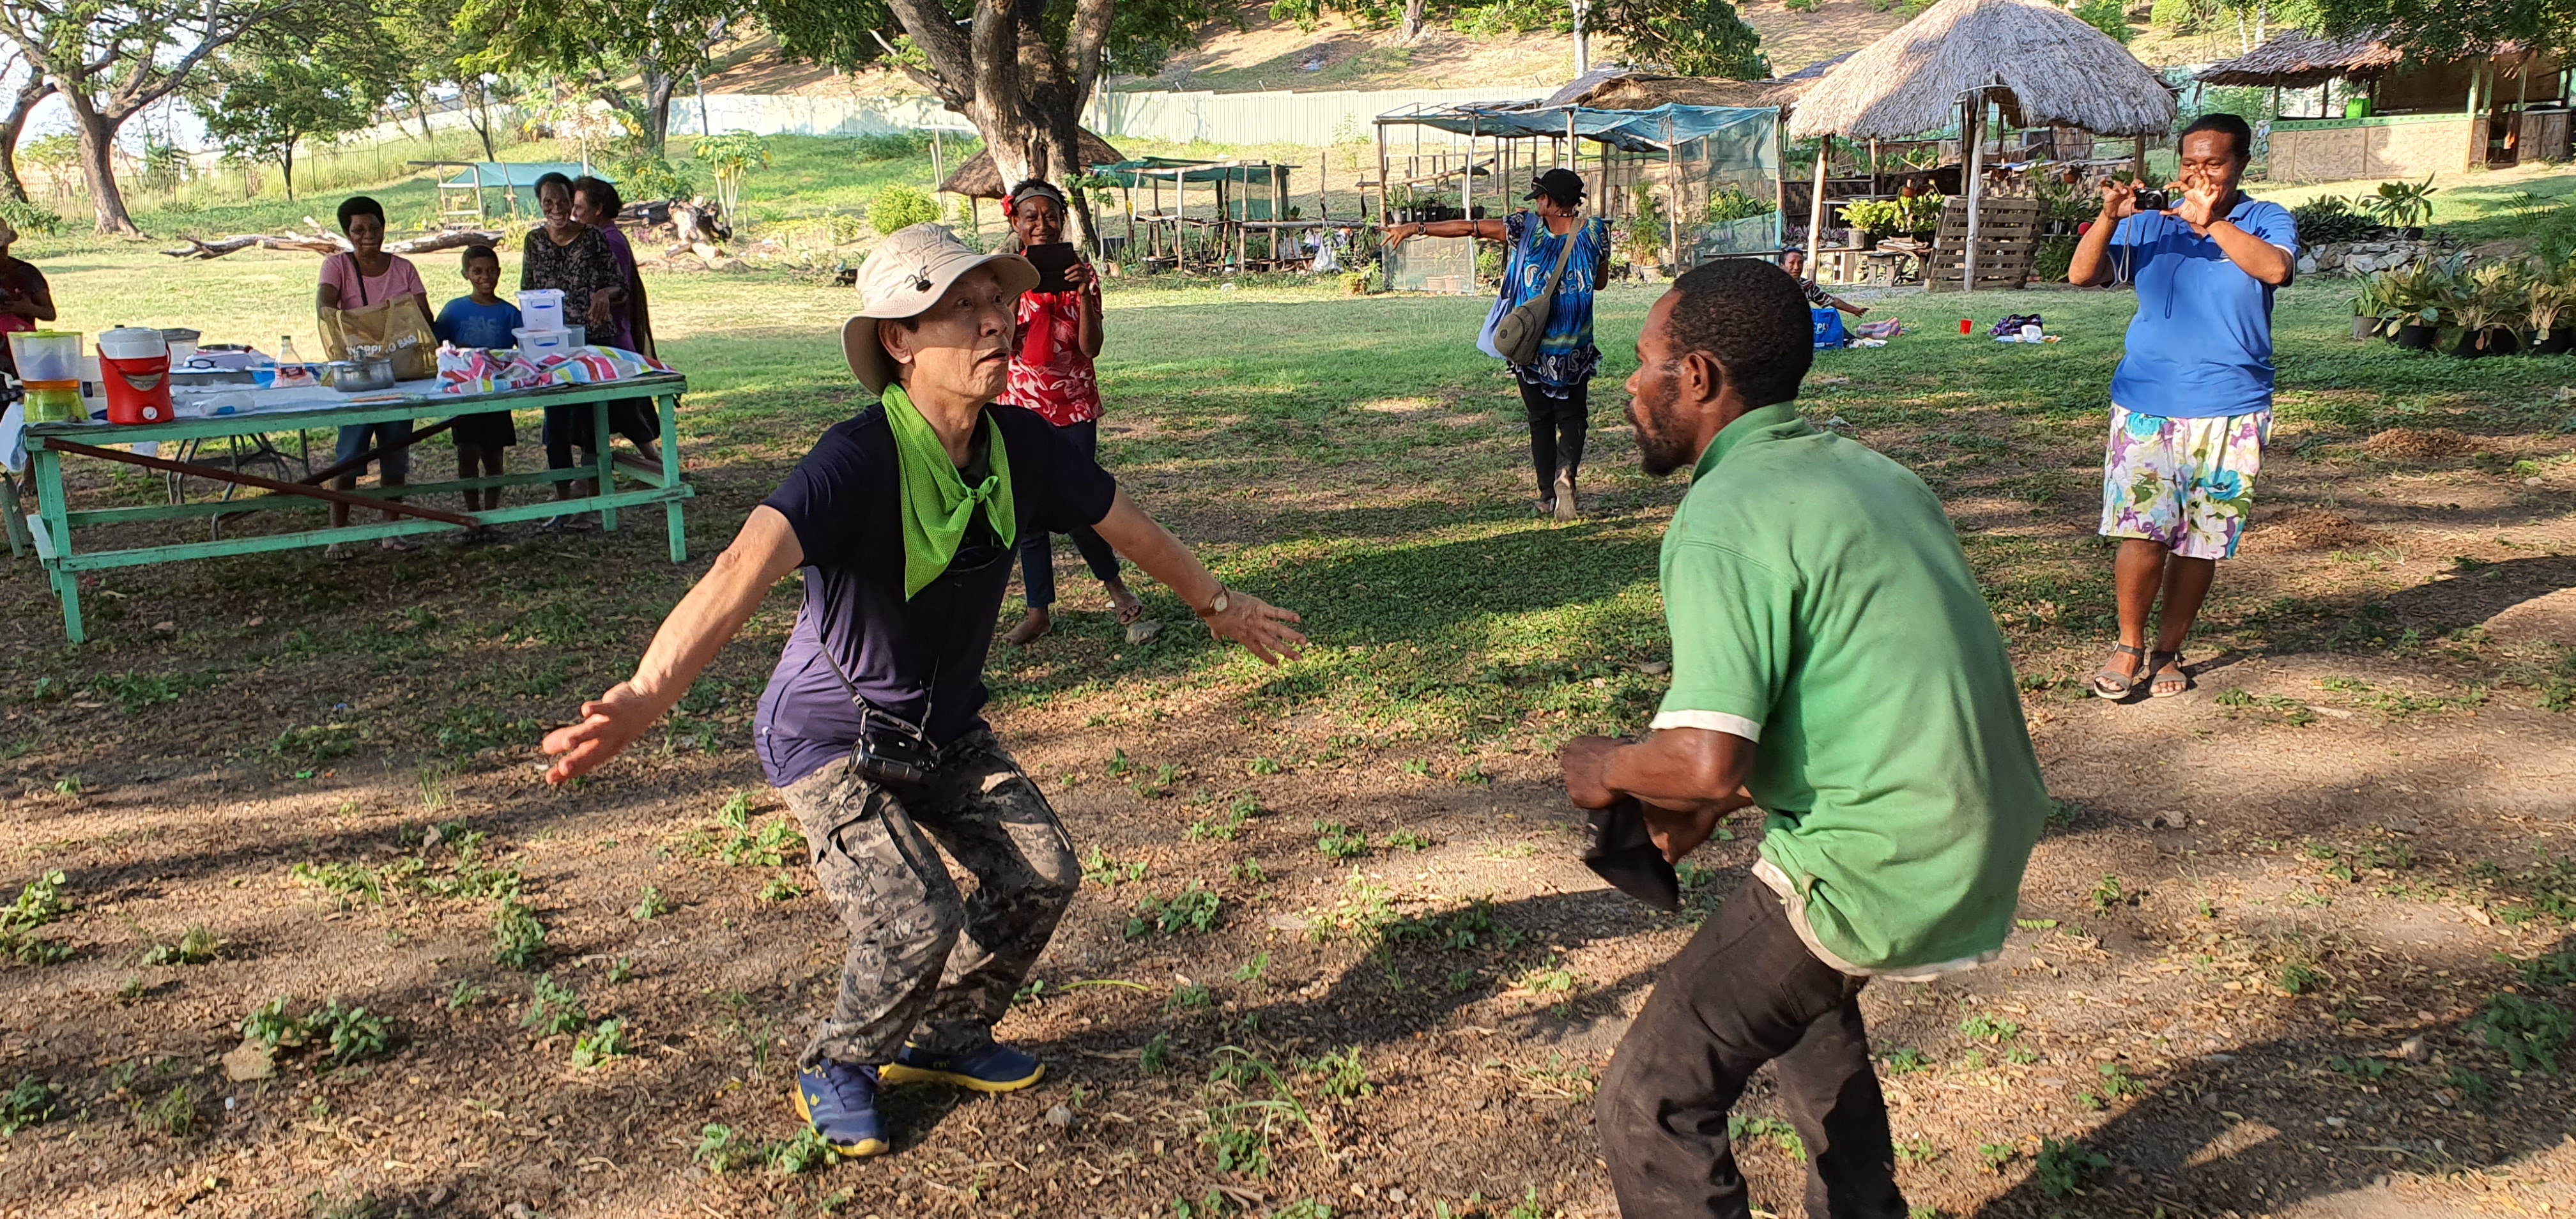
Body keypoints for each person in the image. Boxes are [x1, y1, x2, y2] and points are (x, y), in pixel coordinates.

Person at [539, 224, 1307, 1160]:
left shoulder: (1021, 445)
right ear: (900, 339)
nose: (995, 323)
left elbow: (1127, 525)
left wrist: (1215, 603)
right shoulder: (857, 461)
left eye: (999, 304)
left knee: (1043, 871)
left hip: (941, 728)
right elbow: (742, 567)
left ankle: (945, 1038)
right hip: (832, 737)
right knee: (914, 915)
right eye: (961, 309)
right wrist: (646, 692)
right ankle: (839, 1063)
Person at [1560, 259, 2047, 1219]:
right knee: (1806, 1023)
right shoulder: (1869, 472)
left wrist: (1605, 768)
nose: (1628, 383)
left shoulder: (1724, 517)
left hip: (1878, 853)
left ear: (1696, 378)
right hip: (1979, 817)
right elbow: (1840, 692)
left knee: (1649, 1101)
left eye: (1645, 360)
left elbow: (1705, 759)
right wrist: (1716, 797)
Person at [2066, 114, 2294, 700]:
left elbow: (2275, 269)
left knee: (2201, 540)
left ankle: (2169, 651)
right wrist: (2111, 218)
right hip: (2148, 401)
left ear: (2242, 164)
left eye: (2213, 163)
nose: (2199, 174)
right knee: (2141, 533)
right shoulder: (2151, 225)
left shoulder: (2265, 219)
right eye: (2190, 164)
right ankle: (2129, 644)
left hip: (2232, 405)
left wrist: (2212, 222)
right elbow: (2081, 275)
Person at [1385, 167, 1610, 521]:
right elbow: (1599, 282)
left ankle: (1546, 497)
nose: (1536, 204)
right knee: (1573, 417)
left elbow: (1471, 228)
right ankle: (1566, 475)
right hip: (1575, 348)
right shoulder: (1596, 232)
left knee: (1539, 419)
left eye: (1538, 198)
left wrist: (1417, 227)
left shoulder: (1526, 229)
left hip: (1531, 344)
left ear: (1549, 201)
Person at [989, 179, 1153, 647]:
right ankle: (1038, 610)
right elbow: (1003, 341)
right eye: (1031, 216)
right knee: (1028, 513)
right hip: (1020, 406)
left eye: (1050, 215)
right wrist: (1019, 287)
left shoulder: (1084, 274)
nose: (1042, 224)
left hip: (1074, 406)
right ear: (1015, 222)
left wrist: (1082, 294)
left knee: (1080, 502)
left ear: (1063, 219)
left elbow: (1090, 348)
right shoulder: (1002, 277)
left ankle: (1117, 589)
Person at [317, 195, 434, 553]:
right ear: (347, 234)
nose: (368, 236)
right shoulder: (336, 266)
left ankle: (390, 531)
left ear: (384, 227)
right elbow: (324, 305)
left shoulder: (403, 269)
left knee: (394, 454)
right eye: (358, 230)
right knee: (349, 459)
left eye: (374, 227)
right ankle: (339, 536)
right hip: (358, 376)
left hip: (399, 374)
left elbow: (426, 317)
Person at [521, 172, 627, 532]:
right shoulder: (534, 242)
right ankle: (565, 500)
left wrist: (604, 294)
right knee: (556, 427)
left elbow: (622, 287)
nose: (556, 208)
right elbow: (527, 291)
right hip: (550, 347)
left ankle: (593, 500)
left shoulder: (594, 238)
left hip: (593, 341)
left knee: (591, 424)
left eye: (563, 201)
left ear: (573, 202)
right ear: (540, 204)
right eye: (548, 202)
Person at [572, 174, 665, 468]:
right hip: (612, 339)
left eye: (579, 207)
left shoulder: (609, 240)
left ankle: (591, 479)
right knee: (626, 411)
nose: (574, 214)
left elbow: (620, 290)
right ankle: (659, 465)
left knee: (614, 410)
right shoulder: (602, 237)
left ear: (597, 209)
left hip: (612, 339)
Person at [433, 244, 523, 516]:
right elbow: (437, 343)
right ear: (466, 274)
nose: (485, 277)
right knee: (467, 454)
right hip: (465, 394)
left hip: (497, 393)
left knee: (495, 457)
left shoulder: (510, 313)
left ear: (499, 273)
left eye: (491, 271)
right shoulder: (454, 310)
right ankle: (472, 512)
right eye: (478, 271)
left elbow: (525, 350)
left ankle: (491, 513)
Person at [0, 216, 58, 379]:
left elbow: (50, 314)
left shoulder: (25, 274)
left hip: (21, 358)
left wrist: (27, 308)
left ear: (5, 249)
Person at [1780, 249, 1867, 317]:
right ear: (1782, 265)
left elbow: (1831, 301)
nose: (1797, 268)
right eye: (1792, 263)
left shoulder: (1807, 286)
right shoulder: (1774, 286)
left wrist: (1855, 310)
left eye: (1800, 263)